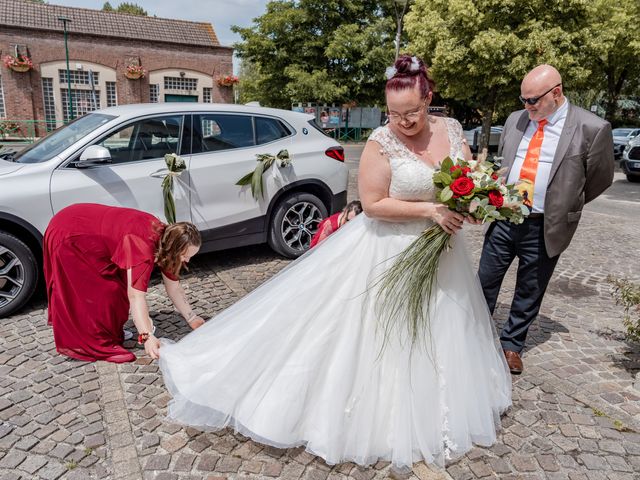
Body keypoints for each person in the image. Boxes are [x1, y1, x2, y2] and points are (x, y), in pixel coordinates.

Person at [158, 55, 511, 470]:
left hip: (442, 253)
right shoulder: (382, 142)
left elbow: (460, 184)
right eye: (394, 114)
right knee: (374, 333)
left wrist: (470, 208)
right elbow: (375, 205)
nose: (403, 122)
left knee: (443, 328)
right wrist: (430, 212)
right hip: (387, 249)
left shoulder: (452, 131)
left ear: (428, 98)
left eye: (412, 112)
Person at [478, 65, 614, 375]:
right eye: (523, 99)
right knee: (484, 281)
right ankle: (474, 336)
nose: (527, 107)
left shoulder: (591, 128)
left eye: (533, 101)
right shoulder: (516, 119)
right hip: (505, 217)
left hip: (544, 224)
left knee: (530, 288)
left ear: (556, 93)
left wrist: (566, 202)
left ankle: (512, 344)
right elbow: (507, 162)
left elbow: (600, 178)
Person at [44, 203, 205, 363]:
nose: (188, 260)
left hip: (86, 230)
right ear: (175, 249)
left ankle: (109, 333)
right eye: (185, 255)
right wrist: (146, 336)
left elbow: (174, 288)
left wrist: (193, 319)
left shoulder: (167, 241)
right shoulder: (143, 246)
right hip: (70, 234)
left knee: (116, 291)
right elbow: (136, 296)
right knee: (102, 292)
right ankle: (96, 343)